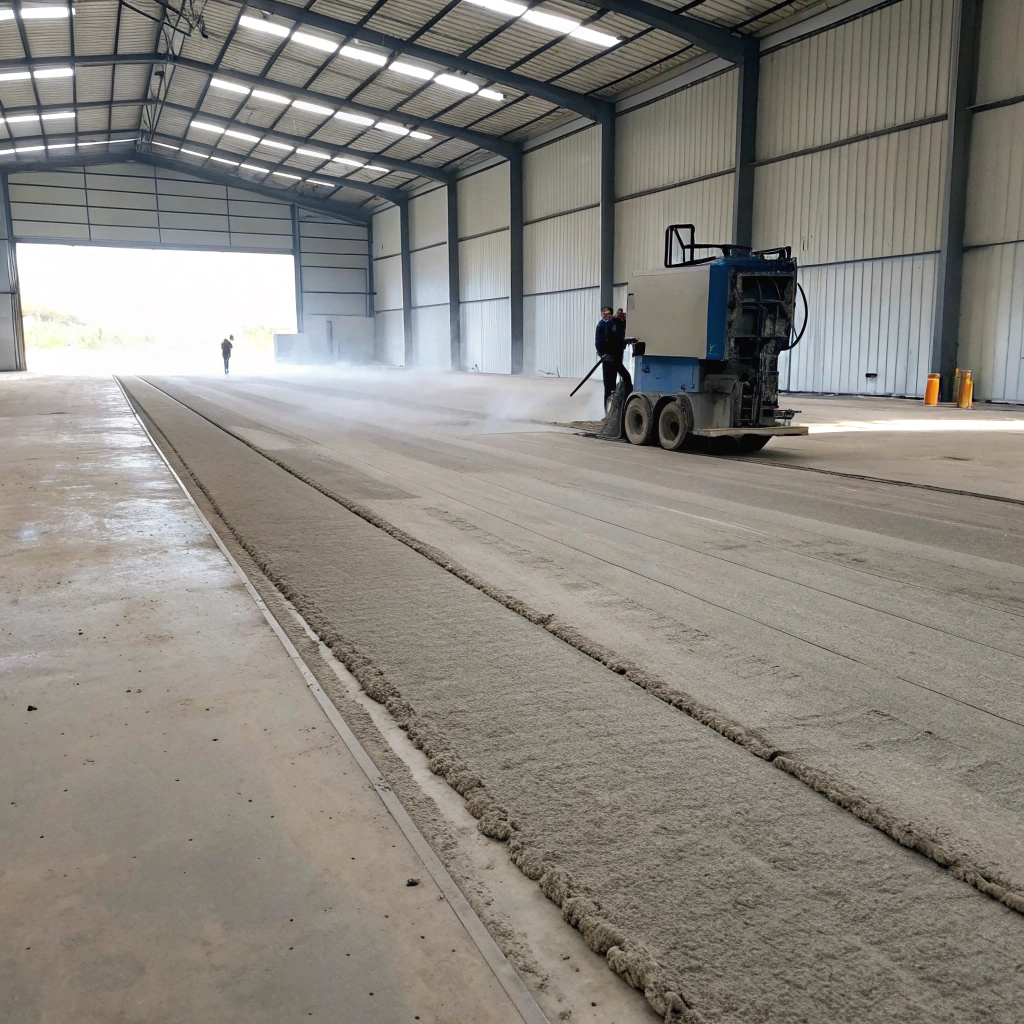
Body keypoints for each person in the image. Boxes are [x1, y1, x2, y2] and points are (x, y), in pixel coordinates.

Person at [595, 305, 631, 407]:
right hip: (607, 358)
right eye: (603, 313)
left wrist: (616, 352)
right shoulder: (601, 325)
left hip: (615, 357)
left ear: (610, 314)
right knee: (608, 385)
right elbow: (598, 342)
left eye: (606, 313)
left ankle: (625, 401)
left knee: (625, 377)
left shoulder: (615, 323)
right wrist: (602, 353)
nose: (604, 315)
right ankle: (608, 410)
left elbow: (619, 339)